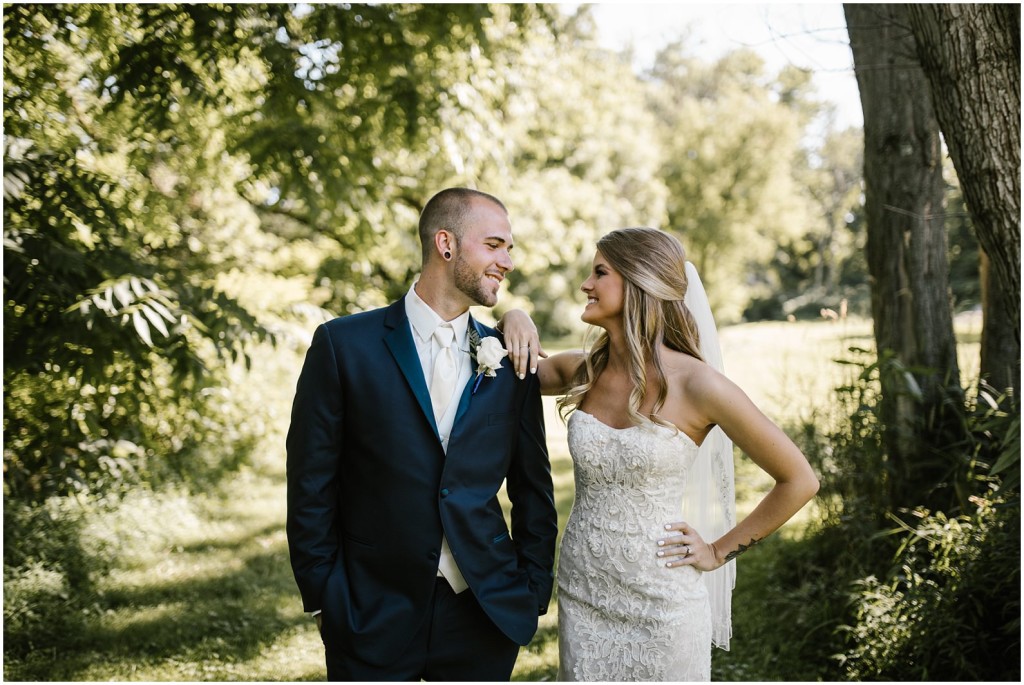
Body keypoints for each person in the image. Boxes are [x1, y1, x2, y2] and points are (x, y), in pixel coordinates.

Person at [499, 227, 819, 681]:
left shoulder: (699, 385)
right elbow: (515, 367)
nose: (586, 285)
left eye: (600, 272)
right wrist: (514, 315)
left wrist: (717, 550)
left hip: (662, 603)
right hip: (583, 592)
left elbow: (800, 480)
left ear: (639, 283)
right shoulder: (585, 370)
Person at [286, 187, 558, 681]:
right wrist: (325, 593)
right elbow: (310, 481)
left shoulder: (510, 353)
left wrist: (533, 589)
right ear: (446, 244)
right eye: (495, 245)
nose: (508, 262)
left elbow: (533, 488)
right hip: (370, 610)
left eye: (509, 249)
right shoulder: (343, 345)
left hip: (484, 613)